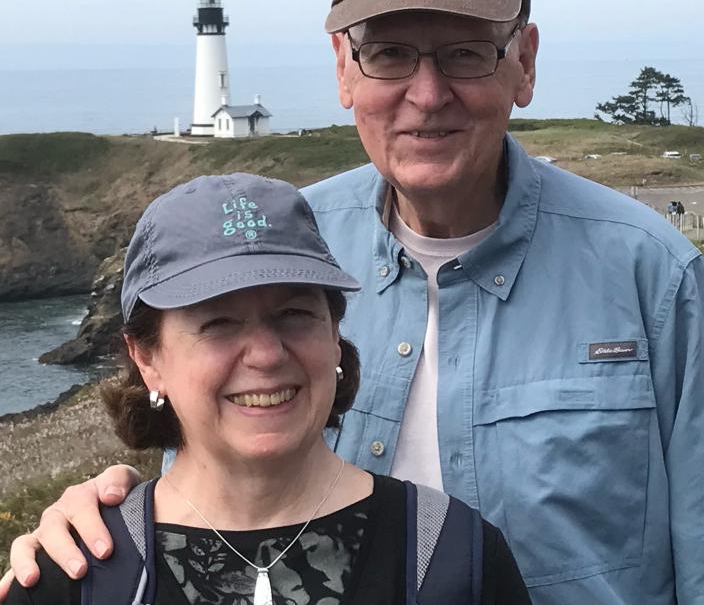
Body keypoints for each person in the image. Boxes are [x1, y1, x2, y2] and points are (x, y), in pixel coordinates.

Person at [5, 0, 704, 604]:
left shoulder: (652, 272)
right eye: (388, 54)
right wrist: (115, 523)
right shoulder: (279, 248)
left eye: (467, 53)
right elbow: (207, 481)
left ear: (524, 63)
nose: (428, 93)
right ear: (344, 69)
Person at [4, 173, 530, 605]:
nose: (267, 354)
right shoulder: (74, 576)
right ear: (147, 359)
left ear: (333, 333)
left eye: (294, 314)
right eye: (219, 323)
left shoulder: (454, 558)